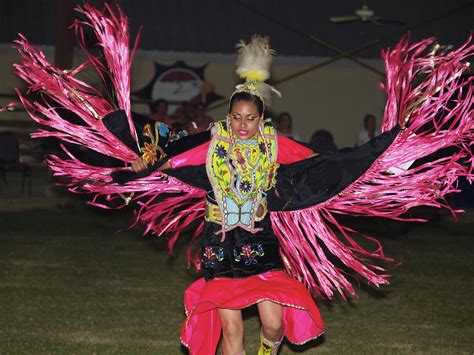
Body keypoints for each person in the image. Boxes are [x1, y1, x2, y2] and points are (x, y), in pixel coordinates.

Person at [11, 4, 473, 355]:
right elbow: (170, 152)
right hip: (219, 249)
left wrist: (379, 152)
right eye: (236, 116)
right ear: (229, 115)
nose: (242, 123)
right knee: (231, 329)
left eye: (250, 117)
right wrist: (144, 162)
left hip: (261, 249)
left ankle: (268, 351)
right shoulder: (210, 143)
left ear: (261, 117)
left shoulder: (278, 146)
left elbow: (324, 163)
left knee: (273, 326)